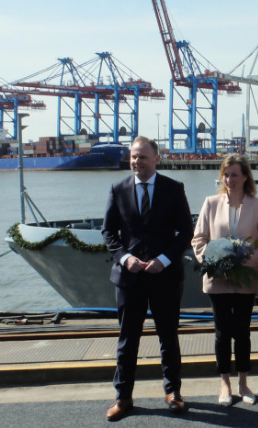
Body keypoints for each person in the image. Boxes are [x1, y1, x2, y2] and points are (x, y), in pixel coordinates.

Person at [101, 136, 192, 421]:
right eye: (133, 157)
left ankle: (173, 392)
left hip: (164, 277)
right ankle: (123, 396)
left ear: (156, 158)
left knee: (168, 338)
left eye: (142, 157)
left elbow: (186, 233)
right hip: (130, 279)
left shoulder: (173, 189)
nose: (136, 161)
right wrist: (127, 259)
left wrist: (163, 261)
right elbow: (108, 233)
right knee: (128, 340)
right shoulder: (118, 189)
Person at [191, 154, 258, 407]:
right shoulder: (211, 203)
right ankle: (225, 382)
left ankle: (244, 381)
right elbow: (199, 240)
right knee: (222, 332)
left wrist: (241, 261)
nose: (229, 179)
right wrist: (216, 260)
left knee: (243, 332)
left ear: (246, 176)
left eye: (234, 174)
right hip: (218, 279)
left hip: (246, 279)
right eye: (226, 174)